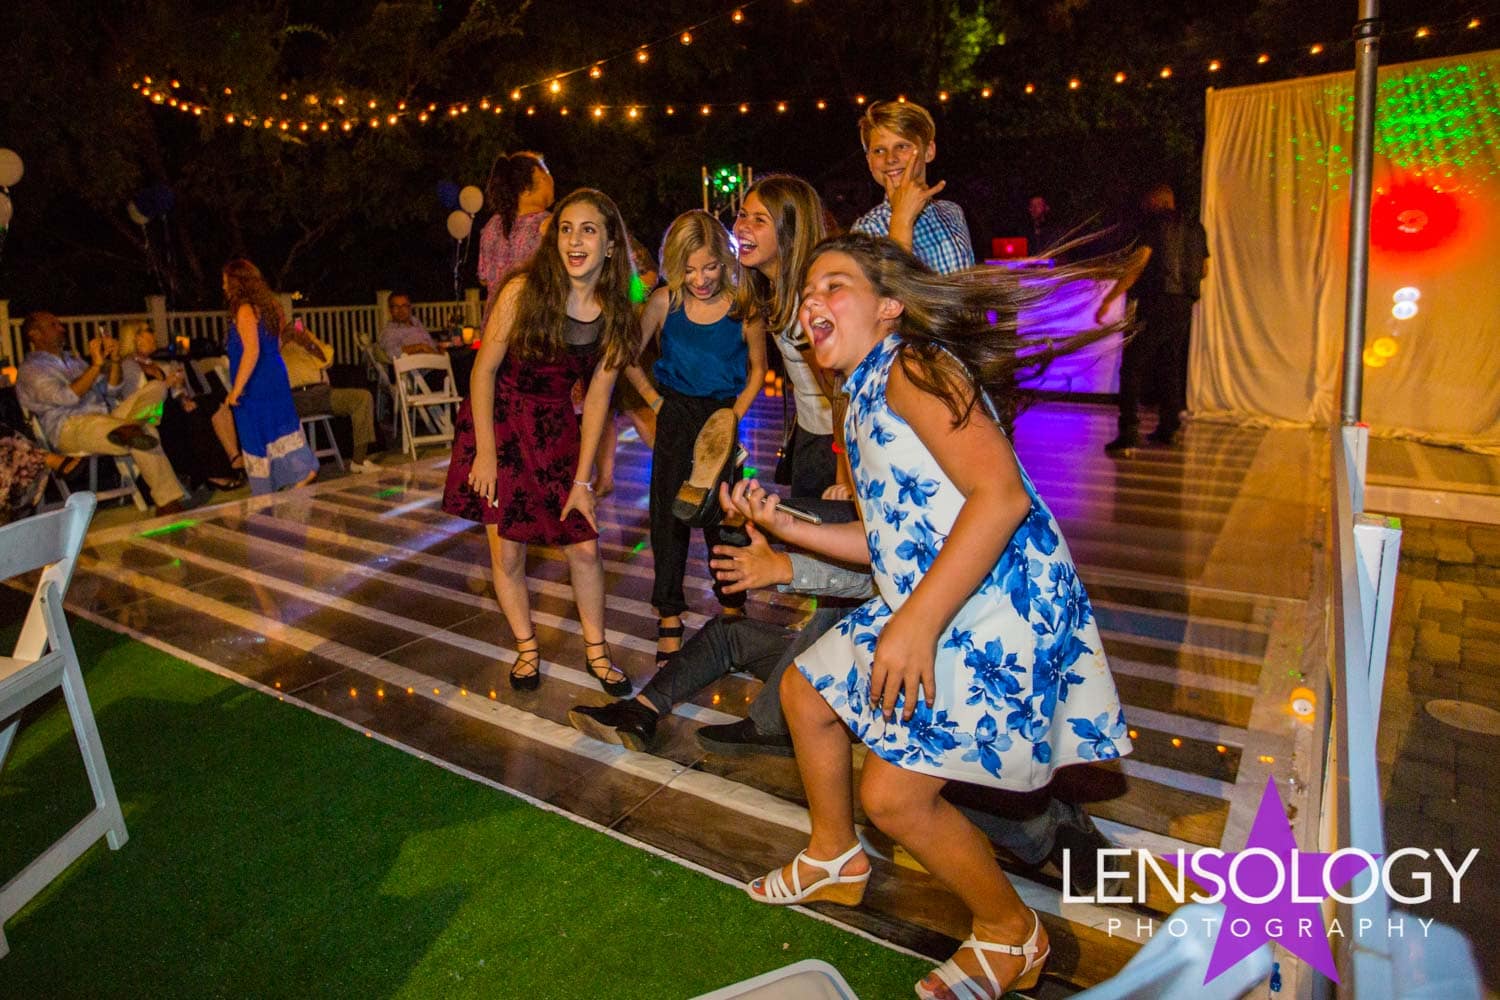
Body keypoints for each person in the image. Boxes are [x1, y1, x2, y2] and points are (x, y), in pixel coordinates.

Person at [741, 233, 1133, 999]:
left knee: (893, 797)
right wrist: (786, 528)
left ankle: (1011, 933)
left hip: (995, 605)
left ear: (890, 305)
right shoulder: (860, 395)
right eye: (808, 291)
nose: (812, 301)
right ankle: (834, 855)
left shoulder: (914, 366)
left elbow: (1001, 497)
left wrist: (916, 624)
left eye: (834, 285)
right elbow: (889, 535)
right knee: (805, 691)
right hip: (940, 594)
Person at [441, 188, 638, 696]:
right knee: (508, 554)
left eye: (588, 230)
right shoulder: (522, 291)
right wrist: (486, 454)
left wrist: (583, 481)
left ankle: (598, 652)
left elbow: (598, 400)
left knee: (584, 548)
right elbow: (483, 373)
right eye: (566, 229)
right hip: (499, 423)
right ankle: (527, 648)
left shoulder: (617, 314)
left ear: (610, 245)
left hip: (554, 426)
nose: (574, 240)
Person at [628, 211, 767, 666]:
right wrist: (655, 402)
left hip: (721, 418)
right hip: (675, 415)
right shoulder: (663, 302)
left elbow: (759, 370)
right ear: (675, 265)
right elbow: (626, 357)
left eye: (710, 267)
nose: (701, 279)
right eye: (689, 269)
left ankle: (733, 610)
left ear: (725, 260)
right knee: (668, 521)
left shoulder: (743, 305)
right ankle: (669, 616)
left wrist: (732, 418)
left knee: (724, 518)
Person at [16, 312, 193, 514]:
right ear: (35, 334)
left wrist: (115, 361)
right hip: (70, 427)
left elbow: (111, 389)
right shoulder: (31, 369)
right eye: (53, 325)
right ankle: (168, 502)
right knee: (145, 432)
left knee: (156, 387)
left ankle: (133, 426)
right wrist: (96, 366)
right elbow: (66, 397)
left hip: (106, 419)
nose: (61, 328)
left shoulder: (74, 361)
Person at [733, 175, 838, 498]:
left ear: (790, 234)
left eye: (759, 220)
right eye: (742, 214)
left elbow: (839, 393)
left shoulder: (803, 305)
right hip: (811, 432)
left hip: (830, 444)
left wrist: (845, 474)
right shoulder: (779, 290)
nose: (742, 227)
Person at [1106, 183, 1209, 453]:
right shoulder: (1196, 228)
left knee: (1132, 366)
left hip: (1156, 300)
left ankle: (1128, 432)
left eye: (1148, 203)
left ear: (1156, 202)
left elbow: (1139, 264)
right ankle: (1169, 428)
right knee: (1170, 365)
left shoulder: (1153, 225)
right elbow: (1205, 269)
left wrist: (1109, 298)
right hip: (1184, 303)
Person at [221, 259, 319, 494]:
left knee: (257, 433)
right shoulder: (271, 306)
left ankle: (277, 484)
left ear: (237, 282)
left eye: (225, 281)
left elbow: (251, 351)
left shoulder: (245, 310)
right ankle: (297, 472)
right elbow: (276, 344)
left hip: (257, 382)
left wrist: (236, 390)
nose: (223, 287)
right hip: (274, 374)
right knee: (278, 427)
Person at [851, 101, 974, 275]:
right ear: (869, 161)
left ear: (929, 151)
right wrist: (901, 219)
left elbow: (968, 283)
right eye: (879, 151)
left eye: (902, 147)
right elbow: (890, 289)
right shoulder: (866, 231)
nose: (890, 158)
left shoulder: (951, 213)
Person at [118, 322, 243, 491]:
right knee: (198, 412)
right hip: (154, 418)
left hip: (171, 411)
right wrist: (166, 384)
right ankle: (215, 473)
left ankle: (234, 458)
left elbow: (173, 392)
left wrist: (183, 398)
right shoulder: (128, 366)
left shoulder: (153, 363)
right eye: (149, 331)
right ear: (136, 338)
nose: (154, 335)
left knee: (215, 402)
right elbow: (140, 401)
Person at [279, 319, 381, 472]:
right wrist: (282, 341)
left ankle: (359, 461)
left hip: (320, 393)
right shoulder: (272, 344)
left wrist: (308, 343)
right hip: (293, 398)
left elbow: (328, 360)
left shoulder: (307, 339)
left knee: (362, 397)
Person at [477, 150, 555, 305]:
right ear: (536, 175)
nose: (551, 179)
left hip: (495, 318)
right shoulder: (549, 224)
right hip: (531, 318)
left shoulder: (492, 225)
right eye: (547, 172)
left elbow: (483, 279)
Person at [377, 292, 440, 360]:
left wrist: (439, 347)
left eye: (404, 306)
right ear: (390, 310)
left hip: (437, 359)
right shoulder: (390, 332)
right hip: (422, 364)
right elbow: (391, 353)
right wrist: (419, 347)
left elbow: (430, 343)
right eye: (396, 306)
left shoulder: (415, 321)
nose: (400, 310)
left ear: (410, 307)